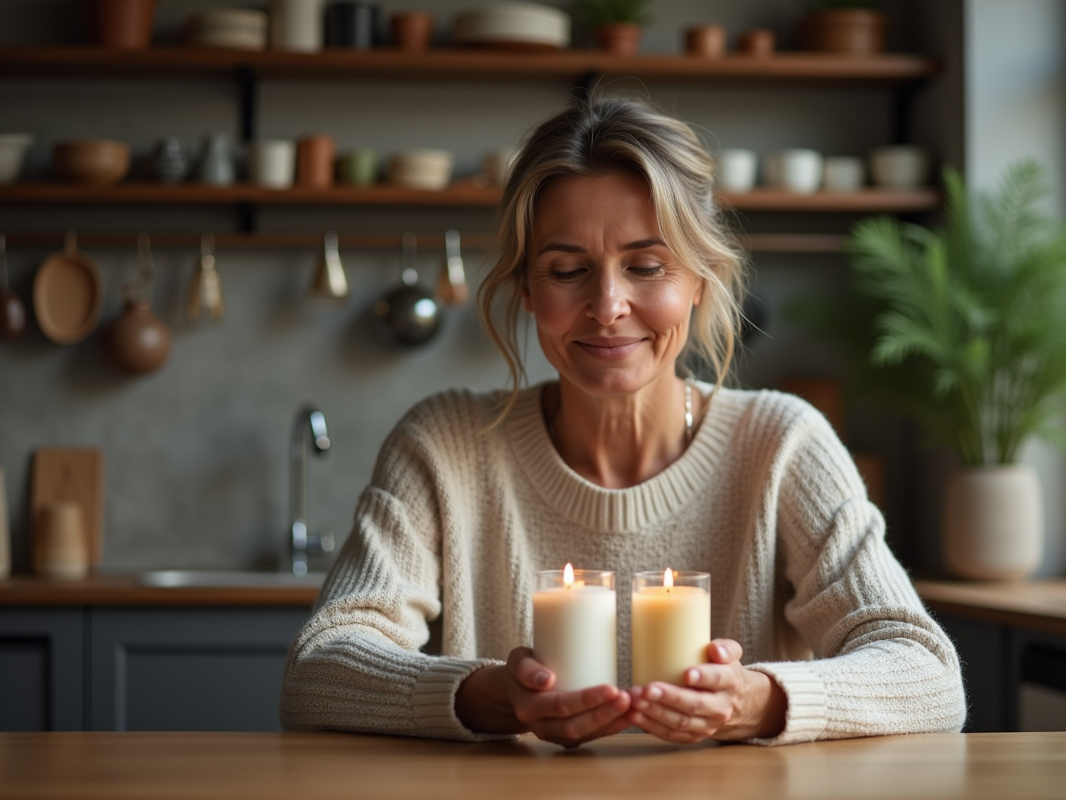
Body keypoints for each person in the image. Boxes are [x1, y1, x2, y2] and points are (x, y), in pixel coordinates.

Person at [279, 96, 966, 747]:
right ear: (525, 287)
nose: (607, 305)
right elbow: (318, 675)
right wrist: (492, 697)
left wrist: (755, 702)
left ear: (699, 280)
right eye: (567, 269)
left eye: (645, 266)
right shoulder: (444, 443)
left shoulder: (782, 444)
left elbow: (929, 677)